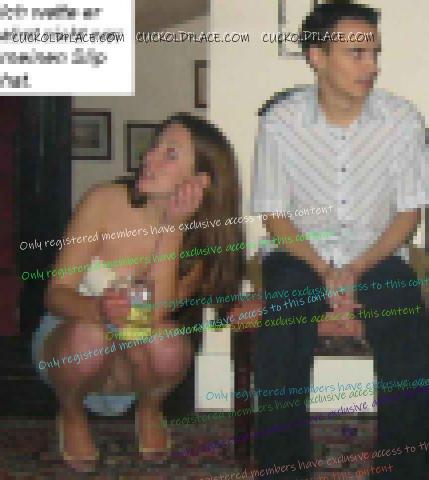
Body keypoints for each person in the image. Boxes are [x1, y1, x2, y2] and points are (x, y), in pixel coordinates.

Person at [251, 1, 428, 479]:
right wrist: (325, 269)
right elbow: (275, 214)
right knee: (286, 313)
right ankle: (283, 468)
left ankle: (404, 468)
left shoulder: (402, 120)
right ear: (317, 56)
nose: (371, 66)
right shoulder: (280, 123)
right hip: (300, 254)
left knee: (405, 314)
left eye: (375, 52)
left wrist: (355, 268)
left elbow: (408, 214)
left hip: (376, 254)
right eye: (356, 53)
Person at [32, 113, 244, 473]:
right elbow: (56, 294)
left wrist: (173, 226)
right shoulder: (103, 200)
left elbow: (154, 314)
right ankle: (71, 411)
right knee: (89, 335)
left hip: (135, 359)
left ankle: (149, 407)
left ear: (200, 181)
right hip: (72, 345)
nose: (149, 157)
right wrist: (99, 310)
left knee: (170, 344)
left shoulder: (201, 237)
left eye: (170, 154)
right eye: (155, 146)